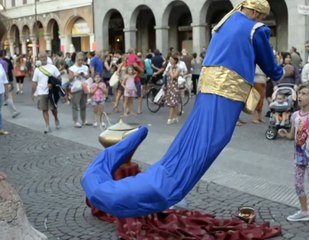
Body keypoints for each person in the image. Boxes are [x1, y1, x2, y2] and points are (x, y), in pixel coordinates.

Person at [82, 0, 283, 217]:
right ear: (254, 11)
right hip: (227, 93)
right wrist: (280, 74)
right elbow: (270, 65)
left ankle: (166, 181)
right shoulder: (256, 29)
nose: (261, 21)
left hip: (208, 90)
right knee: (209, 142)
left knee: (194, 138)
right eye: (260, 16)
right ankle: (165, 188)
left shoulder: (226, 22)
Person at [278, 83, 309, 230]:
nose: (300, 96)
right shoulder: (295, 115)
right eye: (300, 93)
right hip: (298, 156)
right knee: (298, 184)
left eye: (304, 94)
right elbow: (293, 135)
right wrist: (286, 135)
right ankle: (304, 211)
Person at [31, 52, 61, 133]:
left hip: (51, 91)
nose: (43, 58)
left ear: (47, 57)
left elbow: (59, 78)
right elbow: (34, 82)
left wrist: (53, 84)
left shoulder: (53, 67)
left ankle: (56, 118)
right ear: (39, 58)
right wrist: (33, 93)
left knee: (53, 109)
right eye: (41, 57)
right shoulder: (37, 69)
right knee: (44, 110)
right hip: (41, 92)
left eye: (44, 56)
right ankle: (47, 126)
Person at [68, 52, 91, 128]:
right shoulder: (72, 68)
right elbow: (70, 79)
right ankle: (76, 121)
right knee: (75, 105)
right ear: (76, 59)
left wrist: (84, 75)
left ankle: (83, 120)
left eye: (82, 60)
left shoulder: (85, 67)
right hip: (76, 88)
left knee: (83, 105)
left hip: (84, 86)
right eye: (79, 60)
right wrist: (75, 75)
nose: (81, 62)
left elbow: (88, 76)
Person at [164, 54, 181, 125]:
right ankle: (175, 117)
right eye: (169, 59)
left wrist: (170, 69)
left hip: (174, 87)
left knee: (172, 103)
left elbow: (173, 76)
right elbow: (166, 76)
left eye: (171, 59)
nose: (170, 60)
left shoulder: (178, 68)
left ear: (175, 60)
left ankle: (170, 118)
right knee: (173, 103)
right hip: (169, 86)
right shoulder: (169, 67)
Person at [0, 64, 8, 135]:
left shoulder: (0, 66)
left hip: (1, 91)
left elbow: (5, 80)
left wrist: (6, 93)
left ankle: (1, 129)